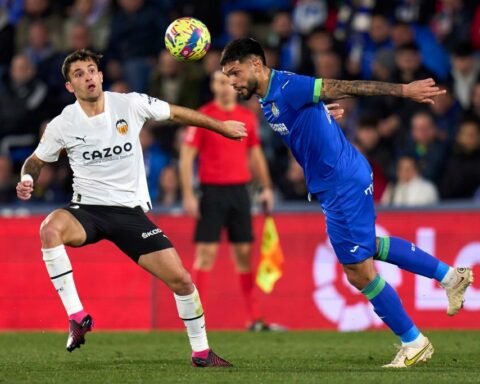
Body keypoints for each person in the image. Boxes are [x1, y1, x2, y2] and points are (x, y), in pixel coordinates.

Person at [220, 38, 474, 368]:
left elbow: (347, 86)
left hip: (341, 182)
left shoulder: (289, 86)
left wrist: (403, 90)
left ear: (256, 64)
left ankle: (414, 341)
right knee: (365, 247)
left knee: (358, 272)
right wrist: (319, 116)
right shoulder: (268, 97)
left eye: (235, 72)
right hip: (341, 178)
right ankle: (451, 277)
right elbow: (302, 122)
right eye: (228, 77)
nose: (233, 82)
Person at [16, 49, 247, 367]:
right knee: (50, 228)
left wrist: (220, 127)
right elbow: (36, 160)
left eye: (91, 70)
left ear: (100, 75)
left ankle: (202, 352)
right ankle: (77, 316)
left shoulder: (129, 103)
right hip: (88, 210)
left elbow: (177, 113)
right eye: (78, 74)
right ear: (70, 86)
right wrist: (27, 176)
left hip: (129, 214)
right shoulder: (63, 124)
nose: (87, 77)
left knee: (181, 280)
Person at [179, 70, 275, 331]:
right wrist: (188, 194)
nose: (222, 87)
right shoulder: (203, 115)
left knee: (244, 255)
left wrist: (266, 187)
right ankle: (196, 317)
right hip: (211, 192)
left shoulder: (246, 117)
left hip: (239, 192)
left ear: (234, 86)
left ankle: (255, 318)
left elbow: (255, 155)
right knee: (206, 254)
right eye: (217, 82)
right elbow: (187, 157)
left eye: (226, 82)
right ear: (212, 85)